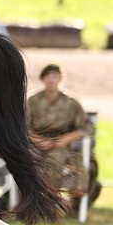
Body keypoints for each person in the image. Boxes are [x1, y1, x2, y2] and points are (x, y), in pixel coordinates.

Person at [26, 63, 89, 198]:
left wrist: (66, 139)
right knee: (26, 162)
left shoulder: (71, 103)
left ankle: (50, 199)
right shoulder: (32, 101)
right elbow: (22, 126)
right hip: (35, 142)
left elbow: (84, 129)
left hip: (60, 143)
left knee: (55, 160)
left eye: (54, 76)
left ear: (61, 78)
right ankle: (28, 199)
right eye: (47, 77)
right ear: (42, 79)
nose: (51, 80)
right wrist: (37, 140)